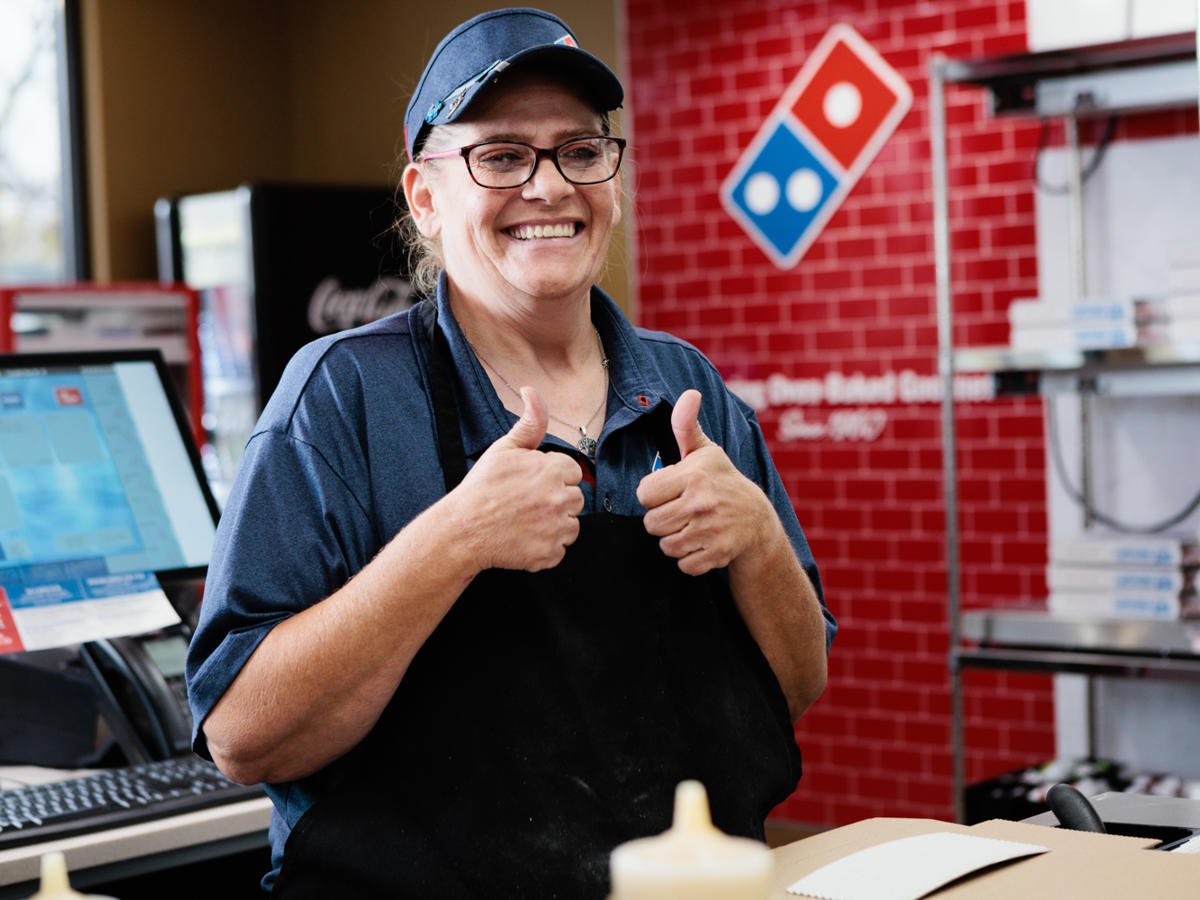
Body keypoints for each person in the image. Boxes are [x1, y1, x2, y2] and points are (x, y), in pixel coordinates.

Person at [185, 7, 836, 898]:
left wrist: (759, 538)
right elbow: (241, 736)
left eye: (578, 150)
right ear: (426, 196)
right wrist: (453, 541)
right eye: (499, 156)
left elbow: (797, 687)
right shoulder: (343, 398)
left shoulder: (690, 389)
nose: (549, 187)